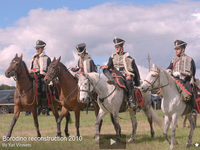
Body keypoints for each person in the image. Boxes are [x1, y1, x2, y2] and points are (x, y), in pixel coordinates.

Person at [100, 37, 140, 108]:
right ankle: (111, 80)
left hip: (124, 73)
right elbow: (109, 66)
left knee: (129, 81)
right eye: (115, 47)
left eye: (117, 47)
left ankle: (131, 100)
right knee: (104, 70)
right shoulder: (112, 57)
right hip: (114, 74)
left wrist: (131, 76)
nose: (116, 48)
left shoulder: (127, 57)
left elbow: (133, 69)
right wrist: (105, 66)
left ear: (121, 47)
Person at [167, 39, 197, 115]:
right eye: (175, 49)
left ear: (183, 49)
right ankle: (167, 109)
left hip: (184, 80)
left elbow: (192, 72)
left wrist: (181, 73)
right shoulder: (173, 60)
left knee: (189, 92)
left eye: (178, 49)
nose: (176, 51)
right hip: (174, 80)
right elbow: (169, 68)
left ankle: (193, 109)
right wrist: (168, 71)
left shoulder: (189, 59)